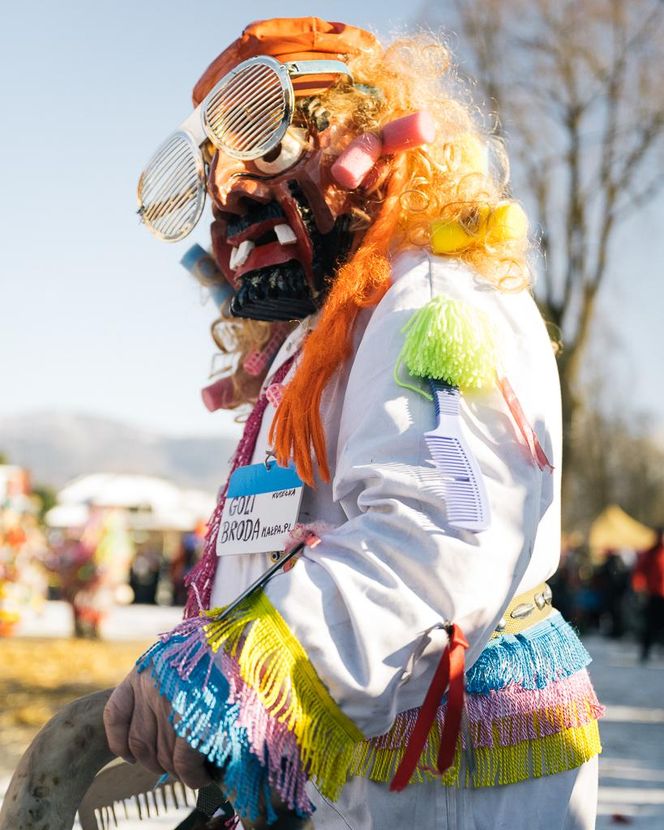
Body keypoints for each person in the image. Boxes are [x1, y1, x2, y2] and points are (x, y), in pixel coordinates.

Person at [104, 18, 603, 828]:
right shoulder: (313, 339)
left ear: (367, 125)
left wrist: (238, 677)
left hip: (447, 787)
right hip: (352, 778)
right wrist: (200, 670)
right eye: (209, 166)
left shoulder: (436, 292)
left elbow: (439, 535)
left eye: (258, 127)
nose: (230, 191)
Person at [632, 528, 664, 662]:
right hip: (654, 594)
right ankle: (645, 651)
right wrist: (639, 587)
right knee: (650, 624)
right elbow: (639, 571)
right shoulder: (651, 553)